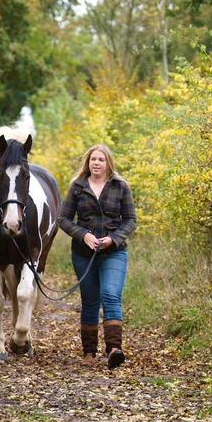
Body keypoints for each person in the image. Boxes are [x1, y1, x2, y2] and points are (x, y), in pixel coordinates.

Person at [58, 144, 137, 369]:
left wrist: (113, 239)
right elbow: (63, 219)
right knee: (90, 301)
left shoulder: (121, 186)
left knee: (111, 295)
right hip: (83, 254)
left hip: (114, 253)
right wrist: (83, 236)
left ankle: (114, 349)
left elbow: (131, 220)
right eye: (93, 159)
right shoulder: (77, 187)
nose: (96, 163)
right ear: (87, 162)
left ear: (108, 163)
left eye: (101, 159)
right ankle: (89, 352)